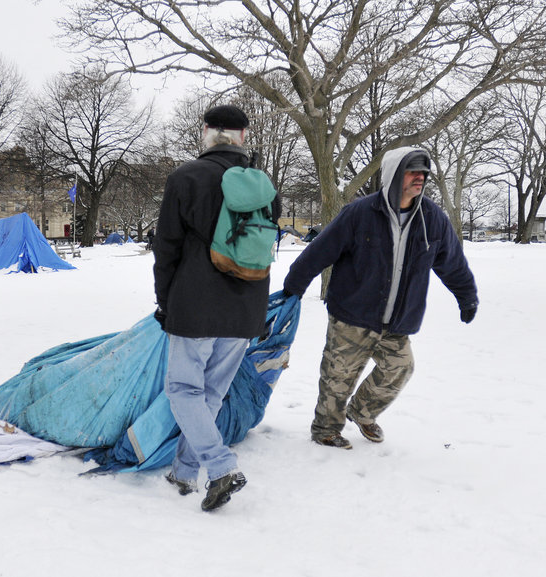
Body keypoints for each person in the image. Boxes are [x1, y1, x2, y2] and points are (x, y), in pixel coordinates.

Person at [282, 146, 478, 450]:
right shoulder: (359, 213)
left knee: (400, 367)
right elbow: (319, 252)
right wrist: (294, 287)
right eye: (413, 171)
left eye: (423, 173)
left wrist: (467, 297)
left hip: (398, 318)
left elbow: (452, 262)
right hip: (353, 313)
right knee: (338, 376)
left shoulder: (432, 218)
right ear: (394, 174)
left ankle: (362, 412)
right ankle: (326, 429)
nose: (420, 178)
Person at [153, 104, 279, 511]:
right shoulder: (264, 186)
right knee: (210, 394)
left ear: (206, 132)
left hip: (195, 304)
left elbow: (166, 248)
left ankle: (221, 465)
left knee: (183, 389)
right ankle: (185, 473)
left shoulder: (185, 177)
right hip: (246, 306)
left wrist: (164, 302)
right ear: (243, 136)